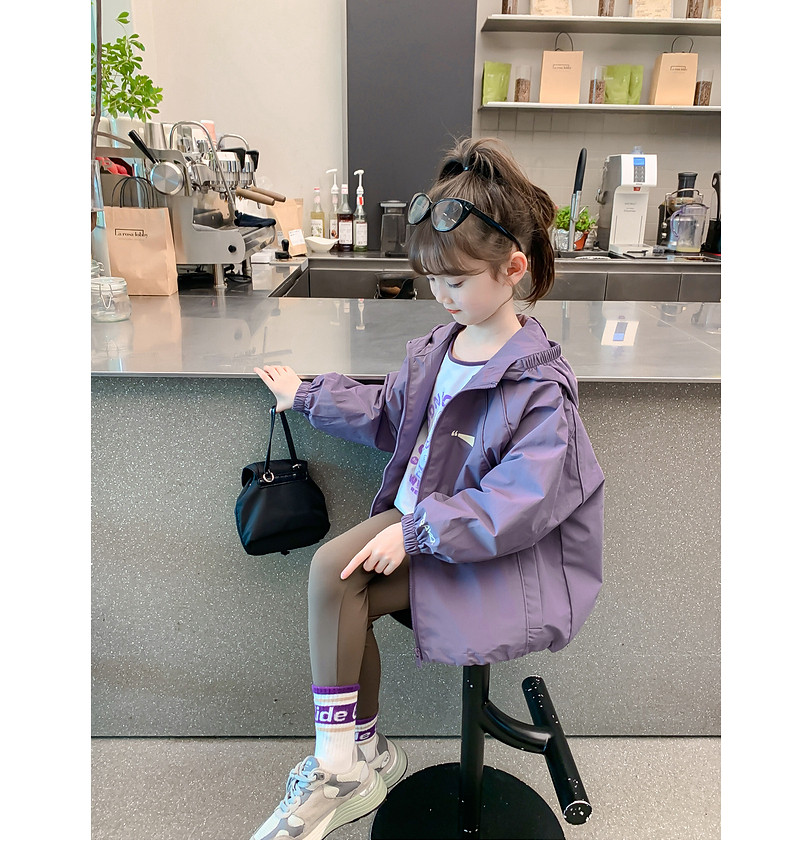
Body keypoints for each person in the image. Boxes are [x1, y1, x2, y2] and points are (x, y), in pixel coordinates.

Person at [250, 137, 605, 841]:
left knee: (334, 578)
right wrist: (307, 396)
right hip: (423, 530)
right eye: (433, 280)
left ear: (513, 269)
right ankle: (355, 756)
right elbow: (387, 412)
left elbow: (519, 503)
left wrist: (413, 533)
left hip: (489, 555)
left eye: (457, 281)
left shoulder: (540, 387)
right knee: (334, 579)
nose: (441, 296)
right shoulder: (440, 349)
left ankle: (347, 764)